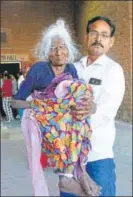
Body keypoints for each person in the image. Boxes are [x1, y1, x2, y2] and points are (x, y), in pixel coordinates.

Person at [11, 19, 95, 196]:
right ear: (47, 53)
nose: (58, 52)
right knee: (67, 122)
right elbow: (15, 101)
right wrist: (42, 104)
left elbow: (76, 93)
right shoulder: (39, 69)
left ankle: (77, 172)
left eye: (63, 47)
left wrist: (89, 105)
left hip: (65, 119)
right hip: (44, 120)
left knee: (81, 119)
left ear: (69, 51)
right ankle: (69, 176)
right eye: (53, 48)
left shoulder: (71, 68)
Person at [60, 16, 125, 197]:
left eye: (104, 35)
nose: (98, 38)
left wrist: (77, 125)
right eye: (94, 33)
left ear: (111, 42)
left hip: (97, 156)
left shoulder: (113, 70)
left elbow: (107, 110)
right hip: (70, 159)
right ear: (86, 37)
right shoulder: (72, 68)